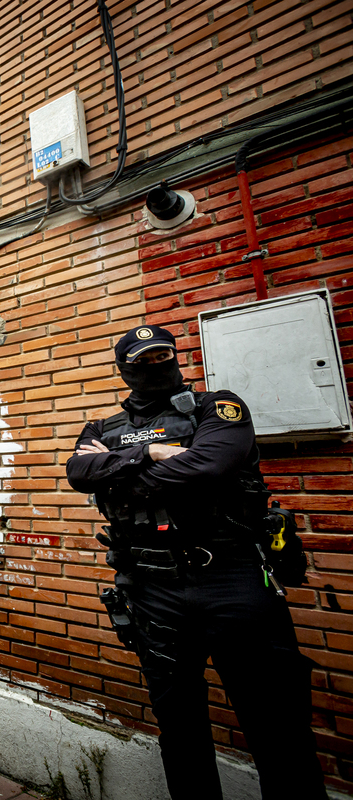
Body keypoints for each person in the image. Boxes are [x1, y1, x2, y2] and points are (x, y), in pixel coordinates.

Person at [65, 324, 326, 800]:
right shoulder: (101, 429)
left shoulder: (217, 408)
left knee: (277, 730)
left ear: (176, 356)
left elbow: (209, 466)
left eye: (161, 354)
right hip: (151, 589)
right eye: (141, 360)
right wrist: (153, 451)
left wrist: (122, 467)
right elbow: (79, 472)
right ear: (124, 369)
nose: (154, 365)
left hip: (232, 580)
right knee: (180, 731)